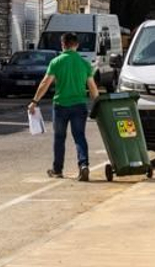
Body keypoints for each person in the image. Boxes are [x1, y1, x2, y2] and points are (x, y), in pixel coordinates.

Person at [29, 31, 101, 181]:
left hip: (60, 106)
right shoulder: (84, 63)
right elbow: (93, 88)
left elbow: (45, 83)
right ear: (77, 45)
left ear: (62, 44)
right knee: (79, 136)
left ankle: (57, 170)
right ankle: (83, 165)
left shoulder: (56, 62)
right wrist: (98, 104)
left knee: (59, 138)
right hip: (80, 105)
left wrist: (35, 101)